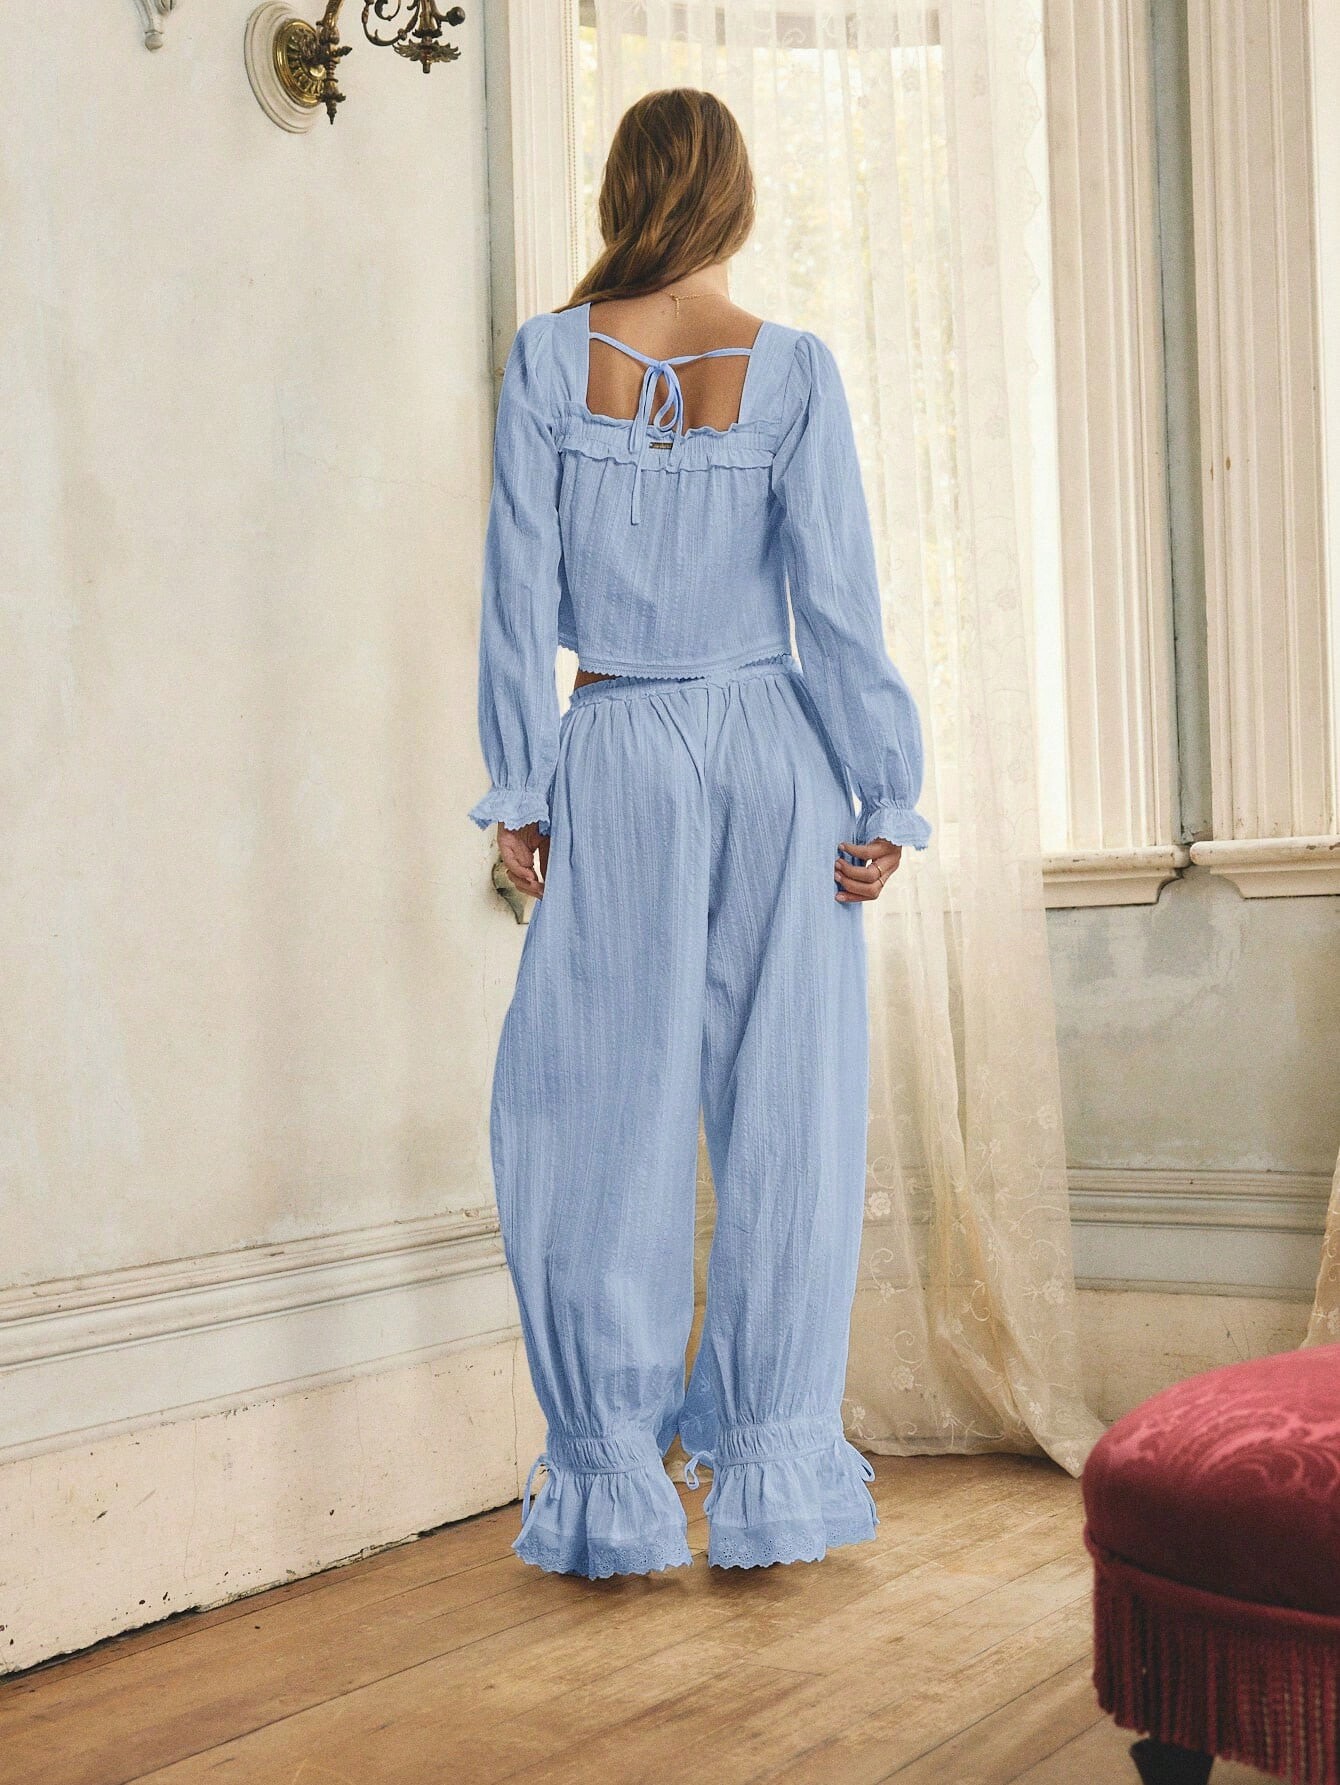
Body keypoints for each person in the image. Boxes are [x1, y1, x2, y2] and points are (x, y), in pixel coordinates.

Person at [468, 87, 931, 1578]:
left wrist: (522, 786)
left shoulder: (549, 358)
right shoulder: (791, 368)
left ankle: (612, 1483)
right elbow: (838, 603)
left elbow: (514, 595)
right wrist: (882, 789)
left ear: (623, 190)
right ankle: (774, 1465)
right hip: (776, 751)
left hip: (617, 745)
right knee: (790, 1112)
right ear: (732, 195)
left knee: (597, 1114)